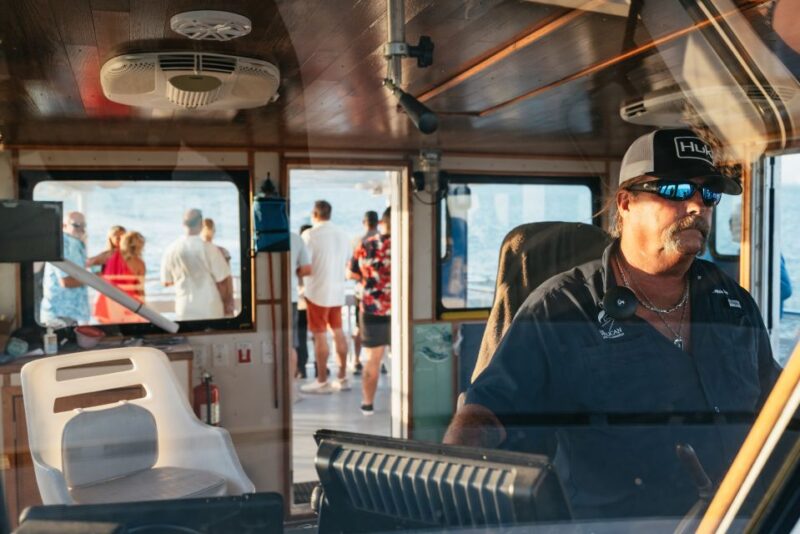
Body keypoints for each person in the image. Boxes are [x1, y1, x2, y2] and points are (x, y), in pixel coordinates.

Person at [444, 128, 781, 519]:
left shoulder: (734, 303)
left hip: (741, 519)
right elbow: (485, 413)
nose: (696, 206)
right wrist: (451, 492)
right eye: (675, 190)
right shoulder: (562, 308)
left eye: (708, 194)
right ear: (625, 203)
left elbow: (773, 399)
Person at [300, 201, 353, 394]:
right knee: (338, 332)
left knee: (319, 334)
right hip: (337, 291)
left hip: (316, 291)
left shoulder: (309, 235)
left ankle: (322, 380)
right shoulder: (342, 234)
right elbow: (348, 260)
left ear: (315, 214)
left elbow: (305, 265)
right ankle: (342, 376)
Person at [348, 208, 391, 415]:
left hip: (372, 307)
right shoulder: (407, 244)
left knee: (372, 359)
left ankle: (367, 404)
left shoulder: (366, 244)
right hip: (402, 311)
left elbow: (351, 273)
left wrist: (370, 278)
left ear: (382, 222)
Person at [160, 209, 231, 321]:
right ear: (201, 223)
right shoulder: (210, 248)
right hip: (210, 308)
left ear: (183, 224)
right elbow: (222, 281)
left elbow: (166, 282)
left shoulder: (171, 249)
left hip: (184, 308)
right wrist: (227, 304)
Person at [41, 211, 91, 325]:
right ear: (64, 226)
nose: (81, 229)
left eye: (83, 225)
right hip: (61, 315)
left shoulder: (75, 243)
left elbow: (80, 267)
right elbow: (67, 281)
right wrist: (95, 279)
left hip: (72, 314)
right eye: (76, 225)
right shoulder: (63, 244)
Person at [94, 231, 146, 324]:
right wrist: (143, 308)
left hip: (105, 303)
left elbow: (91, 264)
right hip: (126, 304)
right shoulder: (139, 264)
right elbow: (139, 290)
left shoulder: (109, 257)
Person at [351, 210, 380, 376]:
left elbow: (351, 271)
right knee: (385, 330)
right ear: (379, 223)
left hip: (363, 294)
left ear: (364, 222)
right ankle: (384, 361)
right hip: (384, 297)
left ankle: (356, 360)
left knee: (358, 328)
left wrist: (364, 276)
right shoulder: (387, 241)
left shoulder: (358, 241)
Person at [290, 230, 312, 391]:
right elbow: (307, 268)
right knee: (292, 342)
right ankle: (291, 386)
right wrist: (294, 272)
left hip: (263, 297)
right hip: (291, 296)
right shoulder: (296, 239)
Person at [201, 218, 235, 316]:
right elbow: (228, 278)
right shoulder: (222, 251)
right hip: (219, 296)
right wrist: (229, 300)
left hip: (202, 299)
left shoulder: (195, 252)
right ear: (214, 231)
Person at [297, 223, 313, 379]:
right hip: (316, 299)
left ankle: (302, 368)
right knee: (317, 334)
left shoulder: (299, 252)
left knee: (301, 336)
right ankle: (320, 367)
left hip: (301, 300)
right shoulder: (316, 252)